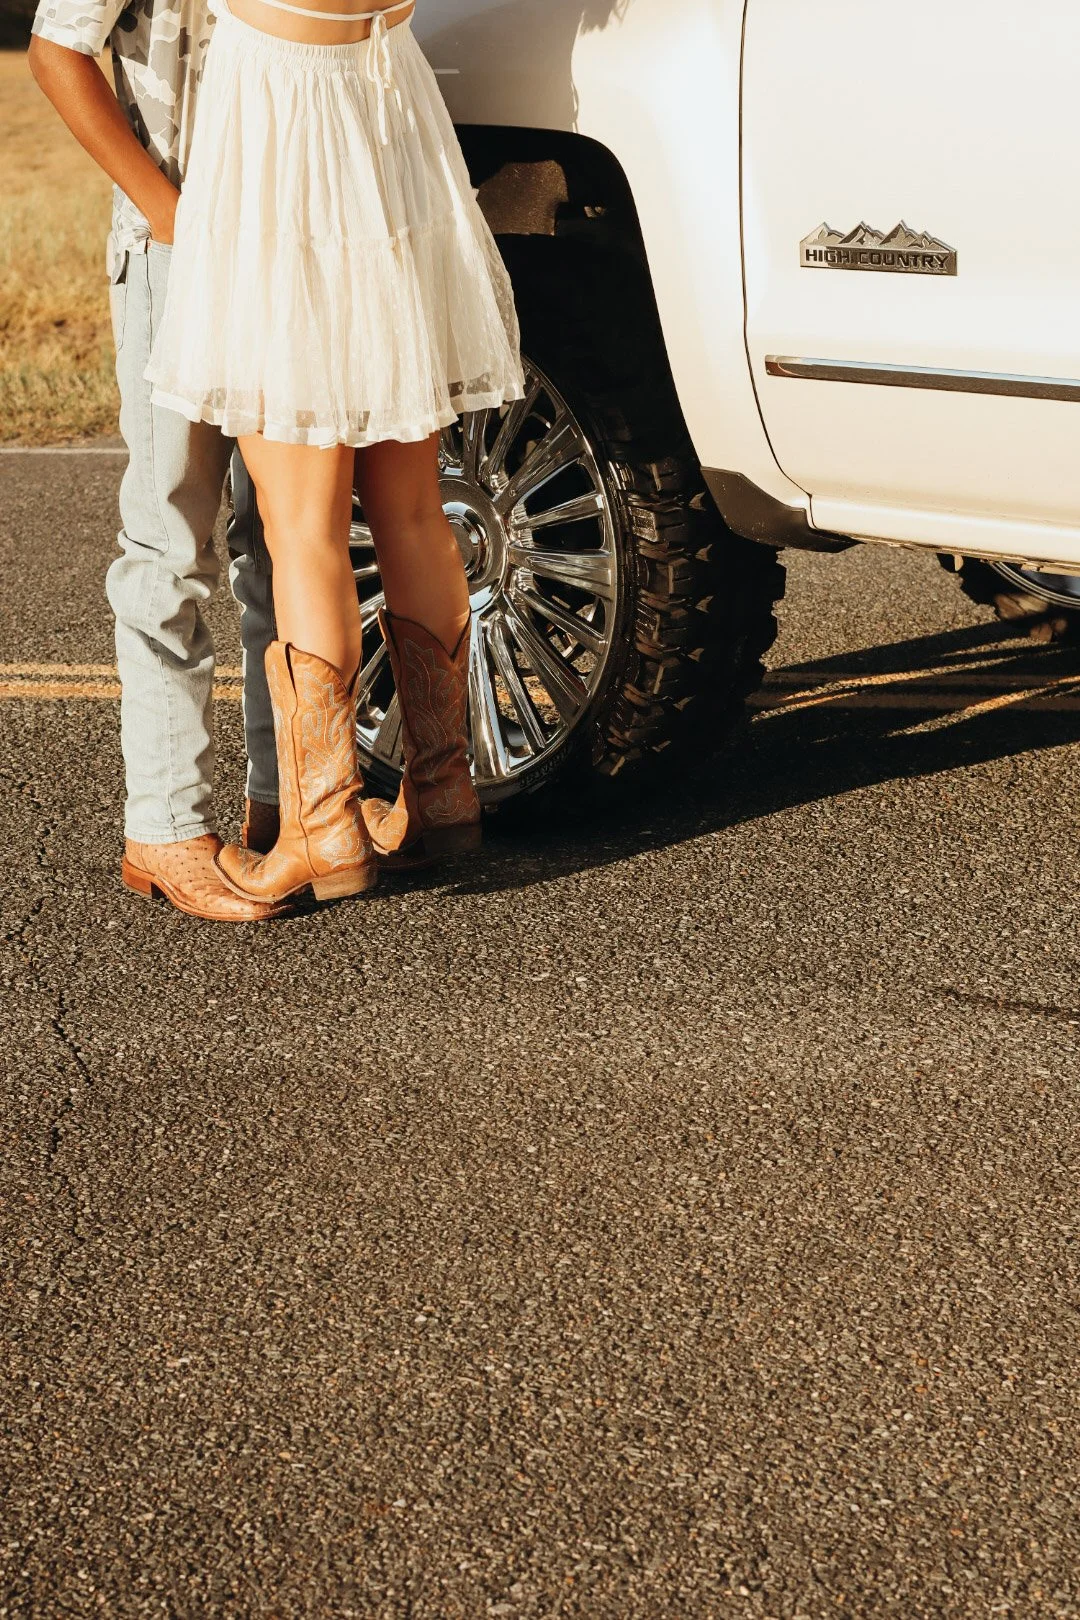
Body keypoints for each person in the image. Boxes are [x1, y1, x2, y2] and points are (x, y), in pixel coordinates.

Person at [28, 0, 285, 923]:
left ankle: (283, 805)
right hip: (177, 244)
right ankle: (166, 826)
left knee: (283, 536)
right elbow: (57, 49)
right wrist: (169, 215)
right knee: (171, 540)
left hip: (288, 251)